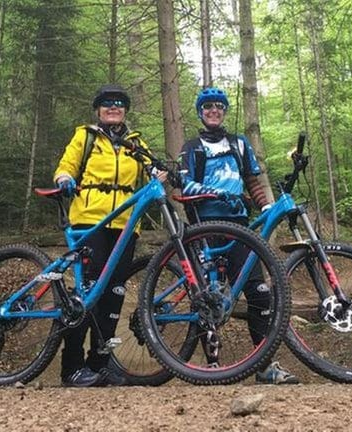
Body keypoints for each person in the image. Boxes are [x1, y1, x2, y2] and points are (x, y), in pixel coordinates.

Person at [178, 86, 300, 385]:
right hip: (205, 228)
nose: (214, 111)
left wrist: (267, 206)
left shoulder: (239, 143)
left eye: (219, 106)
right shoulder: (191, 146)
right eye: (207, 107)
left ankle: (266, 366)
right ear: (200, 112)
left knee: (258, 292)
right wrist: (216, 193)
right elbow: (184, 186)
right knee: (208, 296)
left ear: (225, 111)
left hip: (241, 227)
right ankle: (213, 366)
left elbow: (252, 181)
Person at [53, 84, 160, 387]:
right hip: (90, 221)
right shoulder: (85, 136)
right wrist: (64, 180)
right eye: (107, 104)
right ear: (98, 110)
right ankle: (71, 368)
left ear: (125, 110)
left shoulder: (135, 142)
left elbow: (153, 169)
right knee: (88, 291)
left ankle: (100, 364)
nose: (113, 107)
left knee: (114, 294)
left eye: (119, 104)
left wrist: (164, 174)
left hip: (125, 224)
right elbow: (66, 167)